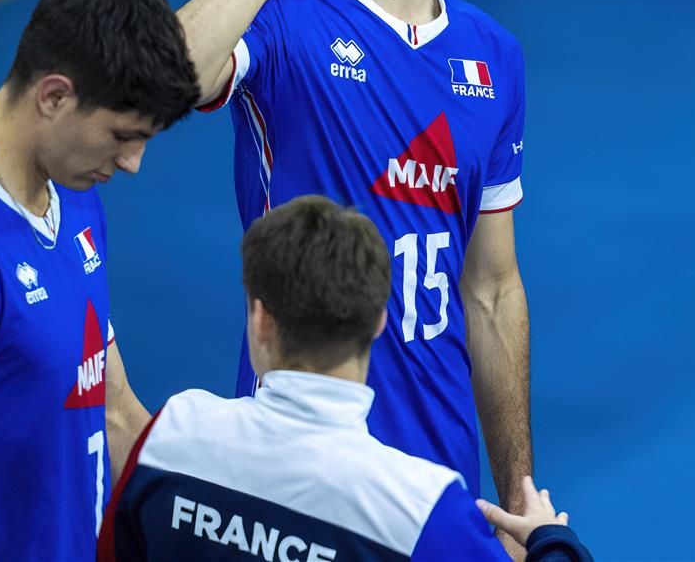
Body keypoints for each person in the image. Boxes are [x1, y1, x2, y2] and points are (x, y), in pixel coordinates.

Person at [174, 0, 534, 555]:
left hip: (435, 479)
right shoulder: (286, 11)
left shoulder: (495, 56)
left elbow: (492, 288)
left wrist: (517, 490)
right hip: (296, 473)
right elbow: (170, 75)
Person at [98, 195, 589, 562]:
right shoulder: (423, 510)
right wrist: (551, 541)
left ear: (261, 319)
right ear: (379, 320)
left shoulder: (171, 436)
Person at [0, 0, 199, 560]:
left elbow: (111, 407)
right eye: (123, 136)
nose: (133, 164)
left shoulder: (74, 195)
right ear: (54, 97)